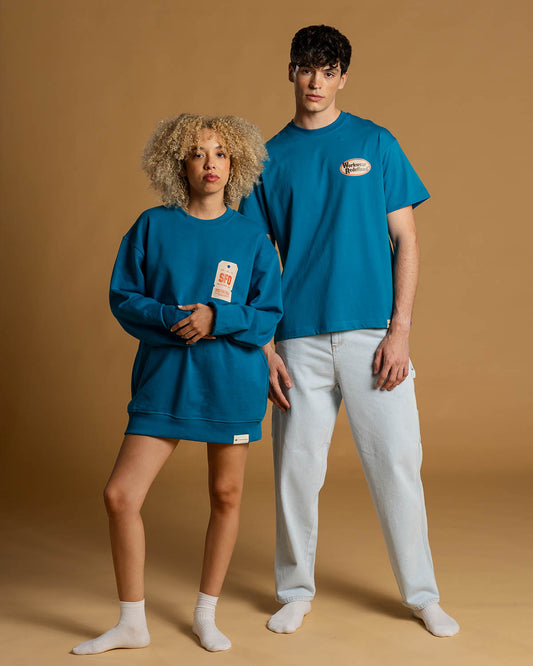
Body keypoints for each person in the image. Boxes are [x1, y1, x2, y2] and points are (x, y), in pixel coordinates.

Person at [239, 25, 460, 638]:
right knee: (295, 473)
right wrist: (263, 346)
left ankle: (422, 596)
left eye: (329, 70)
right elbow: (257, 260)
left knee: (397, 466)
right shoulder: (266, 160)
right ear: (291, 71)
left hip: (374, 338)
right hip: (297, 340)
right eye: (307, 68)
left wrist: (400, 330)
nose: (316, 81)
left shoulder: (375, 142)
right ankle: (294, 592)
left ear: (343, 78)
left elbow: (406, 239)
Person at [72, 114, 283, 655]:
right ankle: (132, 622)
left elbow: (268, 316)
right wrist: (171, 317)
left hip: (230, 382)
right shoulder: (151, 226)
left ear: (235, 165)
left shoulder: (252, 238)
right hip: (165, 380)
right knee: (120, 495)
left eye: (220, 153)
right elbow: (124, 296)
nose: (210, 163)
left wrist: (218, 317)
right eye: (197, 153)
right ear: (178, 164)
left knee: (226, 495)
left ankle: (206, 614)